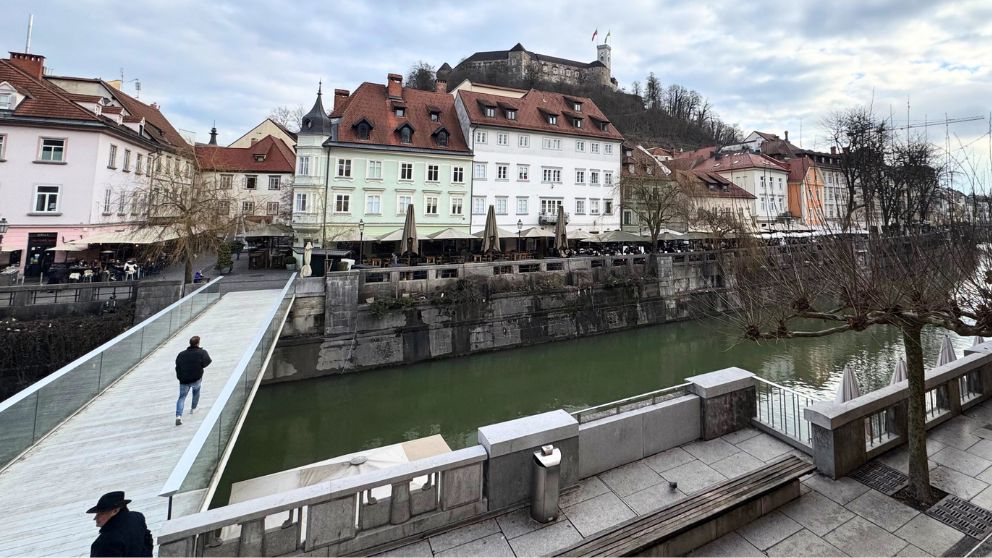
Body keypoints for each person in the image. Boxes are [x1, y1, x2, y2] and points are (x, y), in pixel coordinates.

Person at [86, 491, 153, 557]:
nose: (95, 518)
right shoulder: (137, 516)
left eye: (101, 513)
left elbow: (147, 539)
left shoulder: (104, 543)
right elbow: (147, 541)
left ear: (115, 511)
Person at [174, 335, 212, 425]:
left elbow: (177, 365)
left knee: (182, 397)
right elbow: (207, 362)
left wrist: (180, 376)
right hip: (196, 378)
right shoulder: (202, 352)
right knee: (196, 392)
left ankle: (178, 416)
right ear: (198, 343)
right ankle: (193, 408)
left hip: (183, 380)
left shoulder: (181, 354)